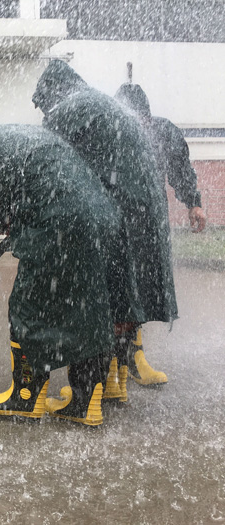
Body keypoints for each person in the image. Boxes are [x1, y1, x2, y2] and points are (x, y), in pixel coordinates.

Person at [0, 103, 121, 426]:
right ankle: (86, 400)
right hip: (99, 216)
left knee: (28, 305)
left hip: (58, 221)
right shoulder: (14, 135)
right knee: (83, 304)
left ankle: (26, 397)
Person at [32, 60, 177, 403]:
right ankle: (115, 381)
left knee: (96, 296)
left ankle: (88, 392)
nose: (45, 112)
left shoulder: (69, 109)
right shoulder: (100, 103)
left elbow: (50, 163)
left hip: (120, 207)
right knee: (124, 296)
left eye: (43, 105)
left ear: (52, 93)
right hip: (145, 209)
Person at [113, 83, 207, 389]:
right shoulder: (111, 132)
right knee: (120, 290)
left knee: (140, 290)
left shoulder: (161, 132)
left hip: (148, 228)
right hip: (116, 225)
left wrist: (193, 203)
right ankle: (114, 365)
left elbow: (180, 168)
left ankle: (132, 358)